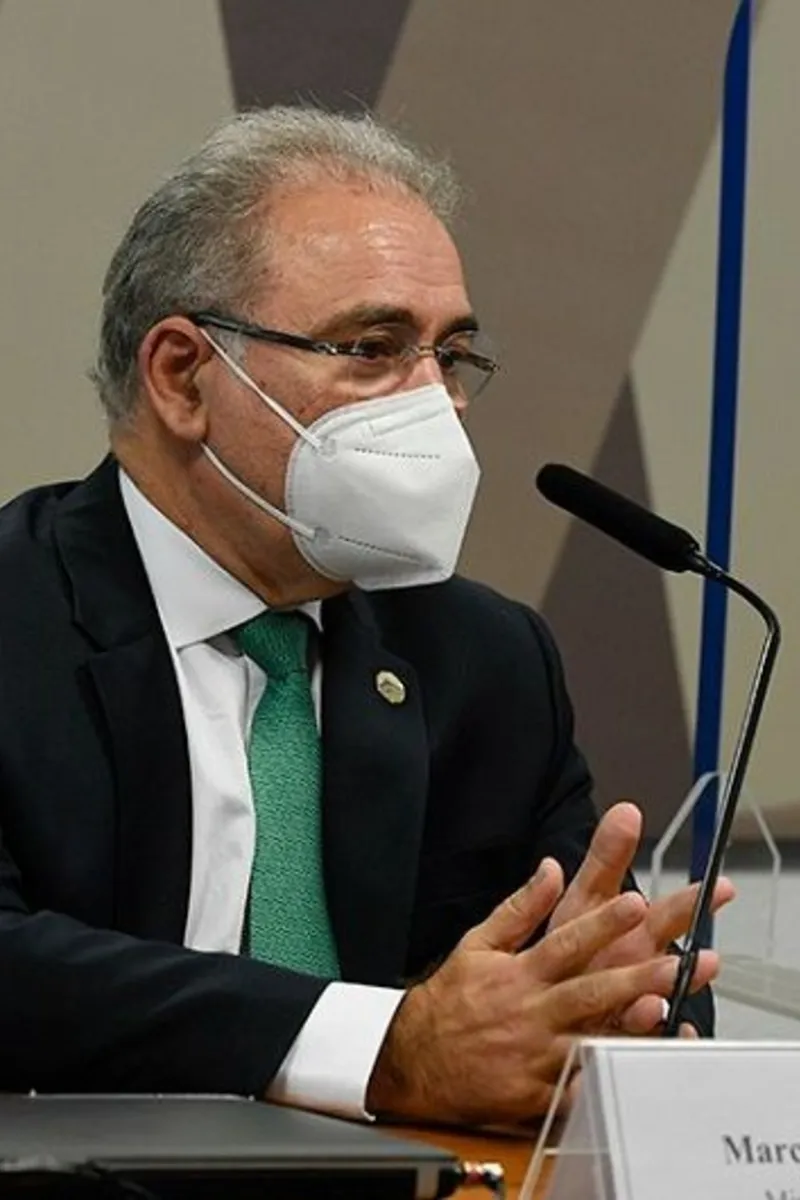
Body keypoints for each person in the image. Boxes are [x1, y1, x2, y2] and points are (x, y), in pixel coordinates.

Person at [0, 106, 731, 1128]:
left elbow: (584, 977)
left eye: (451, 356)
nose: (436, 403)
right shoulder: (20, 612)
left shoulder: (485, 659)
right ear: (182, 377)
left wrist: (614, 998)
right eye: (375, 348)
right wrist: (381, 1049)